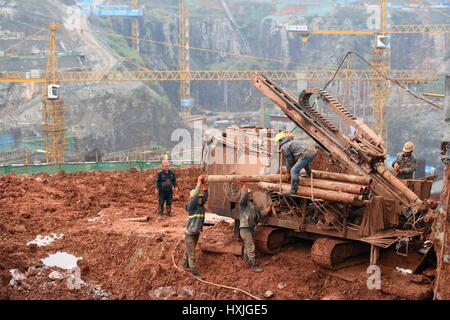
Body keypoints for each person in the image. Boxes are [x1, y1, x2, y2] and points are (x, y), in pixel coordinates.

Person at [239, 187, 272, 272]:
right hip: (245, 228)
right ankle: (253, 265)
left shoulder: (254, 206)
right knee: (251, 246)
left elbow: (259, 214)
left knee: (247, 246)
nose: (252, 195)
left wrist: (266, 211)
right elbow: (243, 198)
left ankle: (247, 262)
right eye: (250, 194)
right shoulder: (244, 204)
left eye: (251, 194)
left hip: (250, 228)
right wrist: (244, 189)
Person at [182, 176, 209, 278]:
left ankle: (184, 264)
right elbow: (196, 196)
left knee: (190, 249)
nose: (201, 199)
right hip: (190, 233)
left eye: (201, 197)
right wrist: (198, 183)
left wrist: (205, 187)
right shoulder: (192, 206)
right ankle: (194, 271)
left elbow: (206, 196)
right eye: (199, 197)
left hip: (196, 232)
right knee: (192, 253)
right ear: (195, 198)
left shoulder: (200, 206)